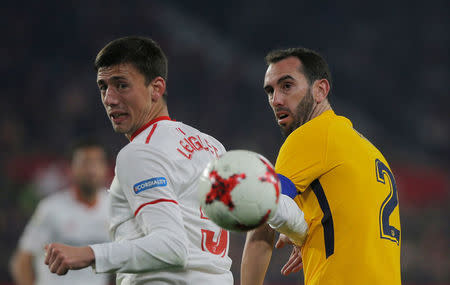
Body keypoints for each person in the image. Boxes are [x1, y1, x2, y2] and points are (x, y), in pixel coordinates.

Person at [43, 36, 234, 284]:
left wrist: (88, 253)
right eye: (103, 86)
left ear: (156, 88)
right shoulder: (212, 146)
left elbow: (171, 247)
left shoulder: (140, 152)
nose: (109, 99)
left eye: (121, 85)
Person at [241, 48, 401, 284]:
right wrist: (304, 233)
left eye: (286, 86)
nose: (276, 100)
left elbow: (263, 219)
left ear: (320, 89)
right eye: (270, 91)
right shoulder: (368, 150)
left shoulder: (310, 135)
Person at [10, 139, 110, 285]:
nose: (91, 169)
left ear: (105, 168)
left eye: (96, 162)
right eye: (84, 163)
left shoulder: (114, 207)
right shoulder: (51, 208)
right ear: (71, 168)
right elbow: (22, 261)